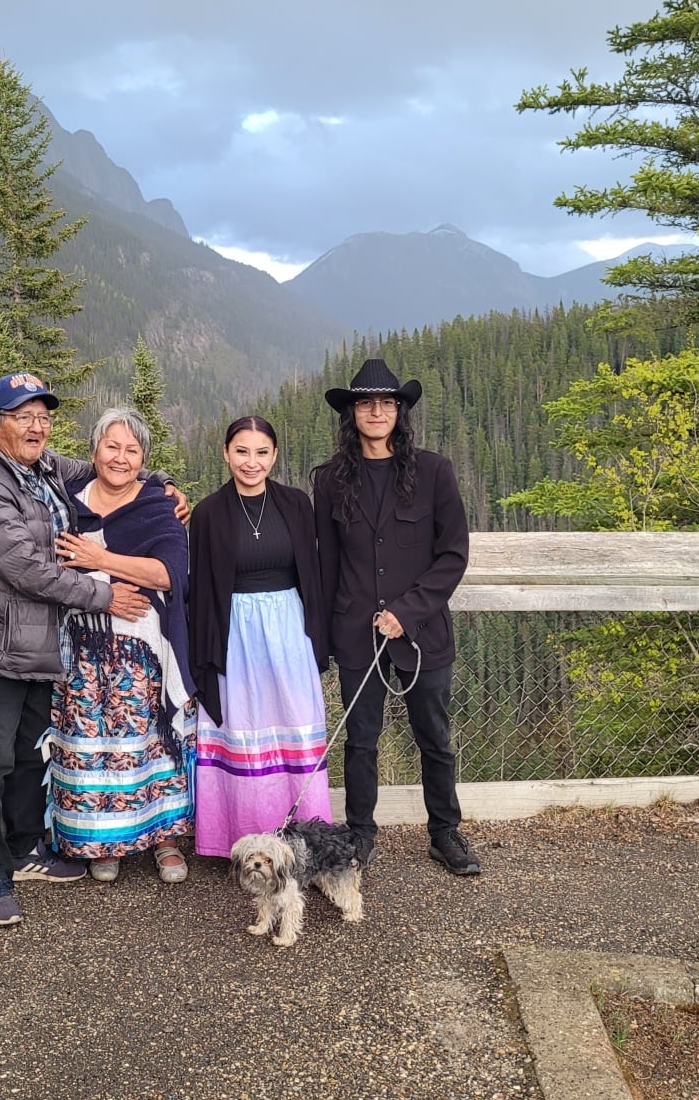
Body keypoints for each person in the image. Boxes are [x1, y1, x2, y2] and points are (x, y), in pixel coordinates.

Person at [0, 374, 180, 928]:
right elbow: (27, 569)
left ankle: (28, 848)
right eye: (22, 416)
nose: (36, 426)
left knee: (30, 754)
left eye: (43, 417)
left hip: (41, 645)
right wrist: (104, 596)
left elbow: (108, 467)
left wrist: (162, 484)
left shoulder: (45, 466)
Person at [312, 357, 481, 876]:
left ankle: (444, 832)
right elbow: (325, 566)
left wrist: (406, 613)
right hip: (356, 632)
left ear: (400, 411)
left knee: (434, 735)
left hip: (423, 631)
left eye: (387, 403)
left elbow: (452, 554)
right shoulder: (332, 480)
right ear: (353, 413)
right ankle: (360, 834)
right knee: (361, 738)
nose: (377, 411)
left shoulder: (434, 472)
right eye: (366, 403)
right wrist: (323, 640)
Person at [43, 408, 195, 882]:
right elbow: (49, 567)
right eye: (112, 446)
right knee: (93, 742)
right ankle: (104, 838)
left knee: (151, 742)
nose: (121, 457)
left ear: (144, 460)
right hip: (82, 650)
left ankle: (166, 840)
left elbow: (170, 574)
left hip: (145, 651)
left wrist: (99, 557)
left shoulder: (157, 506)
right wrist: (103, 590)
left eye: (132, 450)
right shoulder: (68, 504)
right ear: (94, 452)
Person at [187, 415, 332, 857]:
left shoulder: (295, 504)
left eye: (262, 452)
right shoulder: (209, 512)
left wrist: (315, 634)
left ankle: (306, 839)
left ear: (274, 455)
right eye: (242, 451)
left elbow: (313, 573)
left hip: (288, 628)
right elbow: (201, 586)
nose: (252, 462)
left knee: (293, 723)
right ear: (226, 454)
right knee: (241, 727)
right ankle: (241, 839)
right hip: (235, 633)